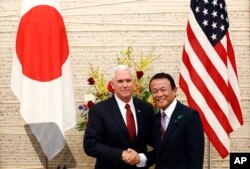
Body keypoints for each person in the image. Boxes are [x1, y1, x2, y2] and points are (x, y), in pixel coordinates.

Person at [84, 65, 154, 169]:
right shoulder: (99, 110)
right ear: (112, 85)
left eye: (128, 80)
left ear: (134, 83)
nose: (125, 85)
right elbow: (90, 145)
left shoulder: (146, 108)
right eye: (120, 81)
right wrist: (121, 154)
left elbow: (154, 139)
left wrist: (143, 158)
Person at [149, 72, 204, 169]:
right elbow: (160, 151)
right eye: (155, 91)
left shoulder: (190, 116)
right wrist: (140, 158)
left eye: (163, 90)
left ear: (174, 91)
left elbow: (196, 156)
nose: (159, 94)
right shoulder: (155, 119)